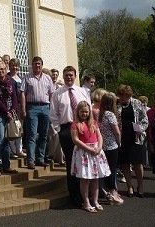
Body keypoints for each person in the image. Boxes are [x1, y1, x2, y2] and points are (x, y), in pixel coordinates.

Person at [50, 66, 91, 207]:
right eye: (66, 75)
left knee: (84, 162)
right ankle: (74, 196)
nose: (69, 77)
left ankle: (86, 194)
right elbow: (53, 114)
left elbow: (89, 109)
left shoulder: (82, 92)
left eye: (71, 75)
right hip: (66, 130)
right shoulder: (57, 94)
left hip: (82, 128)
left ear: (75, 76)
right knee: (71, 163)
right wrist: (59, 130)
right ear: (64, 75)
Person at [71, 101, 111, 213]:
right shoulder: (75, 124)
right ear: (78, 112)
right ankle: (86, 202)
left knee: (95, 178)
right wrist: (88, 149)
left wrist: (99, 147)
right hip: (84, 152)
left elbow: (99, 136)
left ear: (89, 112)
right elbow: (76, 140)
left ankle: (95, 201)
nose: (84, 114)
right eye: (82, 111)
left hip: (95, 151)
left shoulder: (94, 123)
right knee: (85, 179)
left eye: (86, 112)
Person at [20, 57, 54, 169]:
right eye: (35, 64)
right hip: (32, 108)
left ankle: (40, 158)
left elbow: (51, 95)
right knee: (32, 135)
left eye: (39, 64)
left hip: (45, 107)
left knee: (44, 135)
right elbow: (23, 94)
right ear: (32, 65)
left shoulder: (48, 78)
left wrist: (52, 110)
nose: (37, 66)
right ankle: (30, 160)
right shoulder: (27, 77)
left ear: (42, 65)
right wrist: (24, 110)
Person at [116, 84, 148, 198]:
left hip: (136, 137)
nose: (123, 98)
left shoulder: (137, 103)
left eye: (125, 96)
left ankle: (140, 185)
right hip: (122, 137)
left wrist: (141, 129)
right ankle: (129, 186)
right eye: (121, 96)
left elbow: (145, 119)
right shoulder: (116, 104)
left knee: (138, 162)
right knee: (125, 162)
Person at [0, 62, 19, 176]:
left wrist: (12, 111)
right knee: (0, 137)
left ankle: (6, 165)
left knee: (6, 140)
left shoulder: (11, 81)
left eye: (3, 69)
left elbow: (15, 98)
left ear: (6, 69)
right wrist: (6, 111)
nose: (1, 71)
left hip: (9, 114)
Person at [98, 92, 124, 205]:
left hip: (103, 146)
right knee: (112, 170)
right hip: (112, 146)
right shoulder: (110, 115)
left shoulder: (100, 114)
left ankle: (108, 191)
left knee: (105, 170)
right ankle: (112, 191)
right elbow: (117, 132)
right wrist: (119, 143)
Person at [45, 68, 64, 165]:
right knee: (52, 136)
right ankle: (51, 155)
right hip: (49, 113)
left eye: (56, 75)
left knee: (58, 136)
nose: (55, 76)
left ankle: (60, 158)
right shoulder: (47, 85)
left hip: (58, 114)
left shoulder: (60, 86)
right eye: (53, 74)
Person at [8, 58, 26, 158]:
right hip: (10, 106)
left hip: (19, 105)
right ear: (9, 66)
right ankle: (12, 150)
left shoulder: (21, 78)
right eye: (12, 65)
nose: (14, 67)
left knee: (19, 127)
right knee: (11, 127)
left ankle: (19, 149)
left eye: (16, 66)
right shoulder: (7, 77)